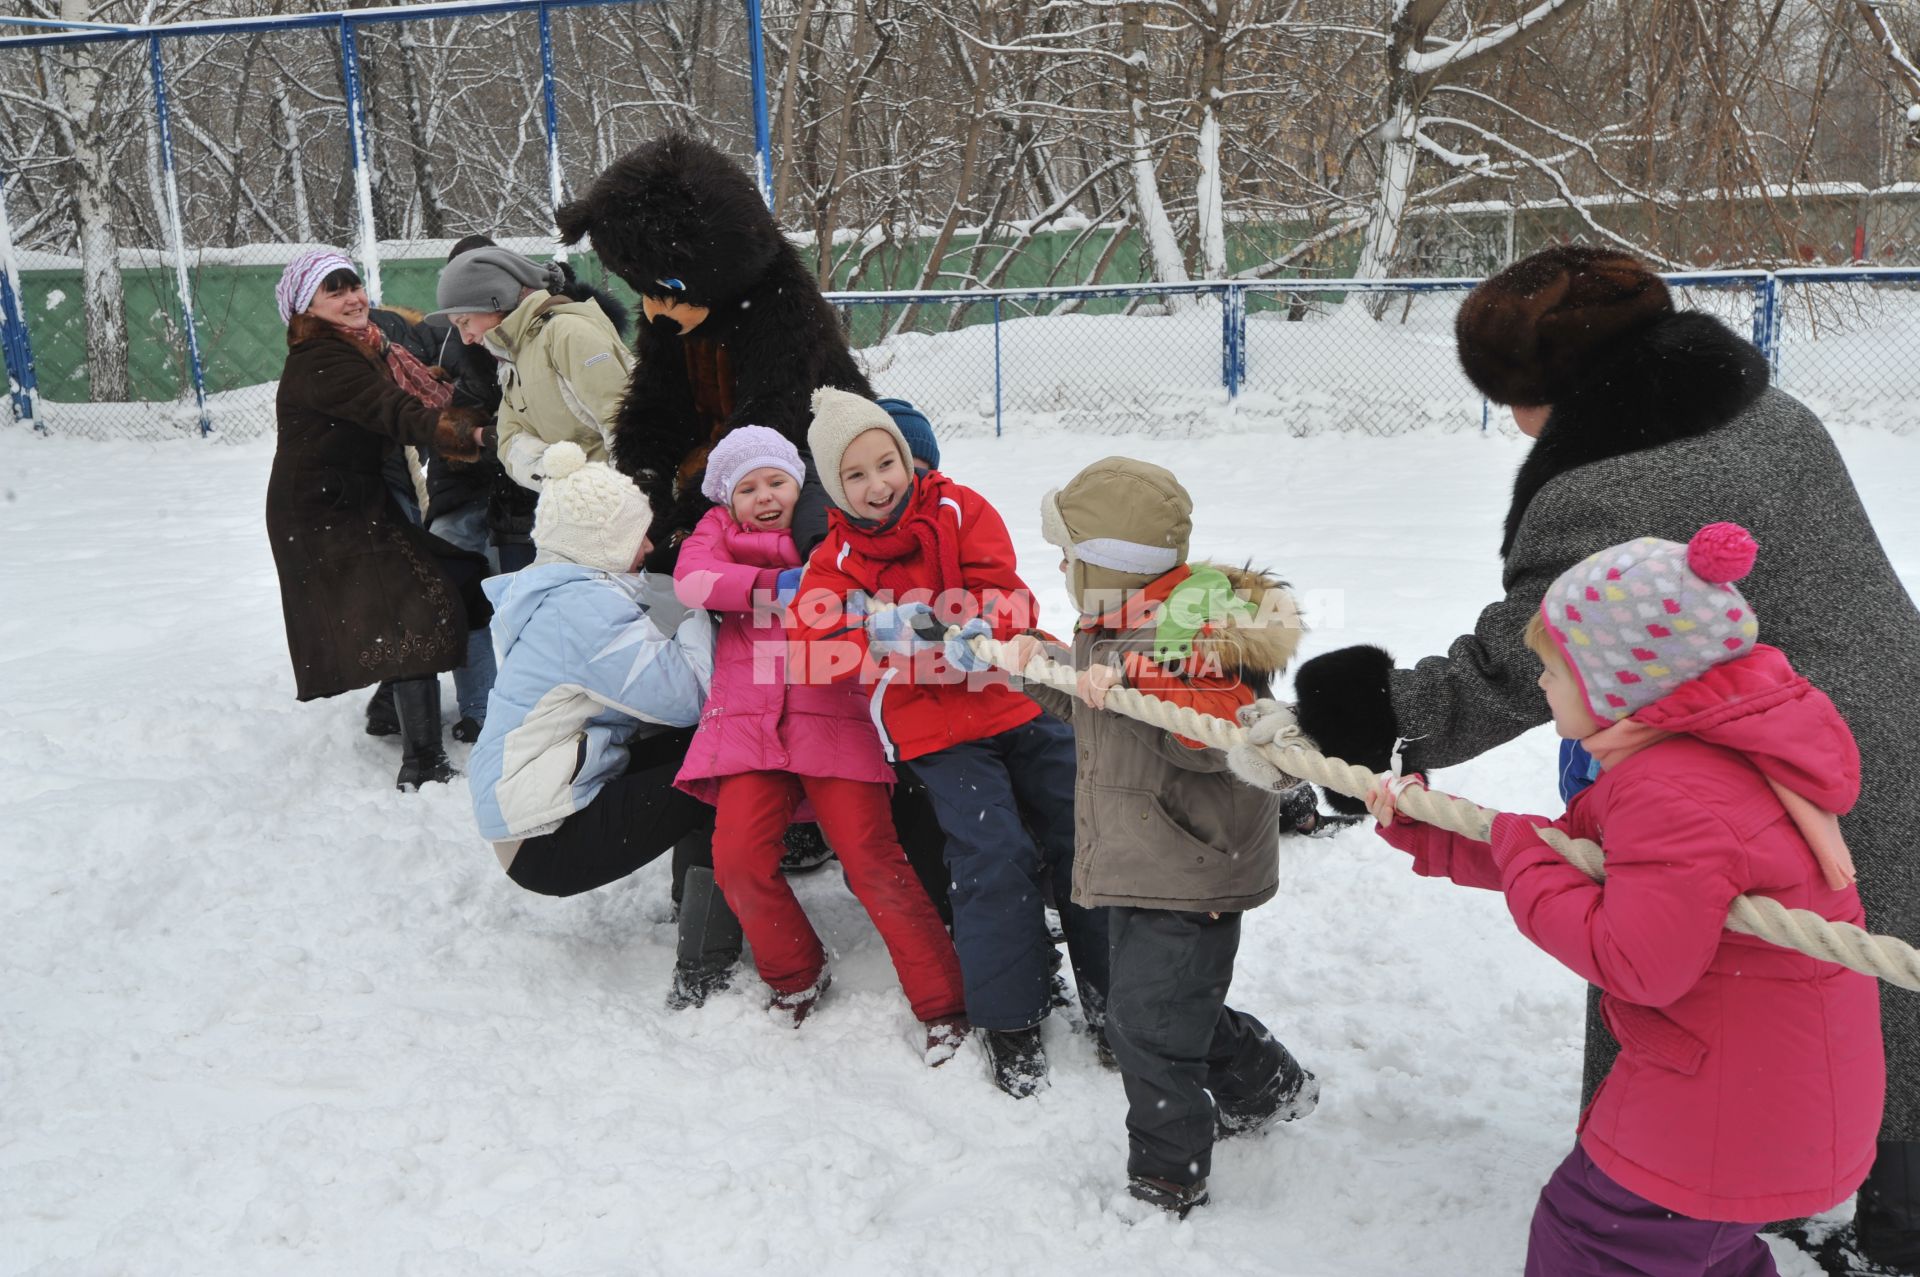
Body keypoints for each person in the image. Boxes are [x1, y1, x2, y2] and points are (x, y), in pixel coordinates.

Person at [1275, 245, 1920, 1271]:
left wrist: (1374, 714)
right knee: (1843, 992)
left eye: (1513, 397)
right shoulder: (1759, 410)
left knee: (1738, 988)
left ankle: (1719, 1199)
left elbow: (1531, 658)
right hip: (1849, 725)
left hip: (1751, 774)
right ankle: (1849, 1193)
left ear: (1554, 387)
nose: (1512, 421)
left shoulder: (1616, 488)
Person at [1360, 524, 1883, 1276]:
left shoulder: (1673, 790)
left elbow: (1635, 961)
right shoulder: (1692, 760)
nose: (1540, 687)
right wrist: (1432, 832)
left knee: (1593, 1238)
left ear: (1621, 685)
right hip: (1768, 1093)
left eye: (1555, 672)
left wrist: (1515, 847)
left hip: (1729, 1106)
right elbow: (1578, 858)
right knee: (1696, 1253)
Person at [997, 457, 1319, 1216]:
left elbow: (1207, 734)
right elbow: (1093, 707)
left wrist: (1138, 683)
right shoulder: (1116, 623)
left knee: (1145, 1026)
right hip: (1147, 857)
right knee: (1168, 1009)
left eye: (1069, 555)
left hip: (1193, 864)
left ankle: (1166, 1176)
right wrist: (1039, 663)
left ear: (1107, 564)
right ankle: (1268, 1085)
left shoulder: (1194, 632)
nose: (1063, 567)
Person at [786, 388, 1109, 1097]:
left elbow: (1008, 593)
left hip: (1011, 696)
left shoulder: (960, 507)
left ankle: (1116, 1000)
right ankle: (1011, 1015)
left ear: (907, 458)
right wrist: (881, 633)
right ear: (836, 488)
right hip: (933, 727)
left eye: (886, 463)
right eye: (857, 475)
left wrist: (973, 622)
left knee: (1082, 829)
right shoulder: (835, 557)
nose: (878, 484)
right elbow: (816, 638)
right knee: (991, 854)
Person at [671, 426, 968, 1051]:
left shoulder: (832, 533)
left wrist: (811, 577)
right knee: (738, 860)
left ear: (800, 484)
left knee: (872, 861)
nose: (765, 497)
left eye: (777, 481)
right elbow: (692, 582)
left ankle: (943, 1002)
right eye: (747, 489)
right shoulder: (716, 537)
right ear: (728, 500)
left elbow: (861, 584)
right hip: (750, 724)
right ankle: (794, 974)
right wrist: (774, 588)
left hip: (832, 713)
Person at [466, 440, 741, 1009]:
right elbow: (693, 694)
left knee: (699, 751)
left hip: (539, 808)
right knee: (722, 765)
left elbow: (644, 644)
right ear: (601, 546)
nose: (647, 545)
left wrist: (668, 590)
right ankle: (706, 966)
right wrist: (688, 592)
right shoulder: (578, 614)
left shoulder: (568, 592)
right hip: (544, 837)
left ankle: (690, 905)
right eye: (637, 535)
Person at [265, 248, 493, 791]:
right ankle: (422, 762)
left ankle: (392, 706)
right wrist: (474, 434)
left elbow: (405, 396)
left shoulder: (365, 349)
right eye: (334, 291)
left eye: (354, 285)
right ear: (307, 307)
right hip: (323, 512)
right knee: (408, 610)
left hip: (357, 501)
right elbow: (394, 411)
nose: (352, 298)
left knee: (457, 578)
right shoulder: (322, 358)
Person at [430, 245, 632, 493]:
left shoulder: (567, 333)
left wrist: (619, 497)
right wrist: (564, 478)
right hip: (579, 506)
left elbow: (626, 427)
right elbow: (509, 440)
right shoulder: (515, 357)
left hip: (620, 503)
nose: (465, 339)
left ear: (496, 301)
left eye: (465, 322)